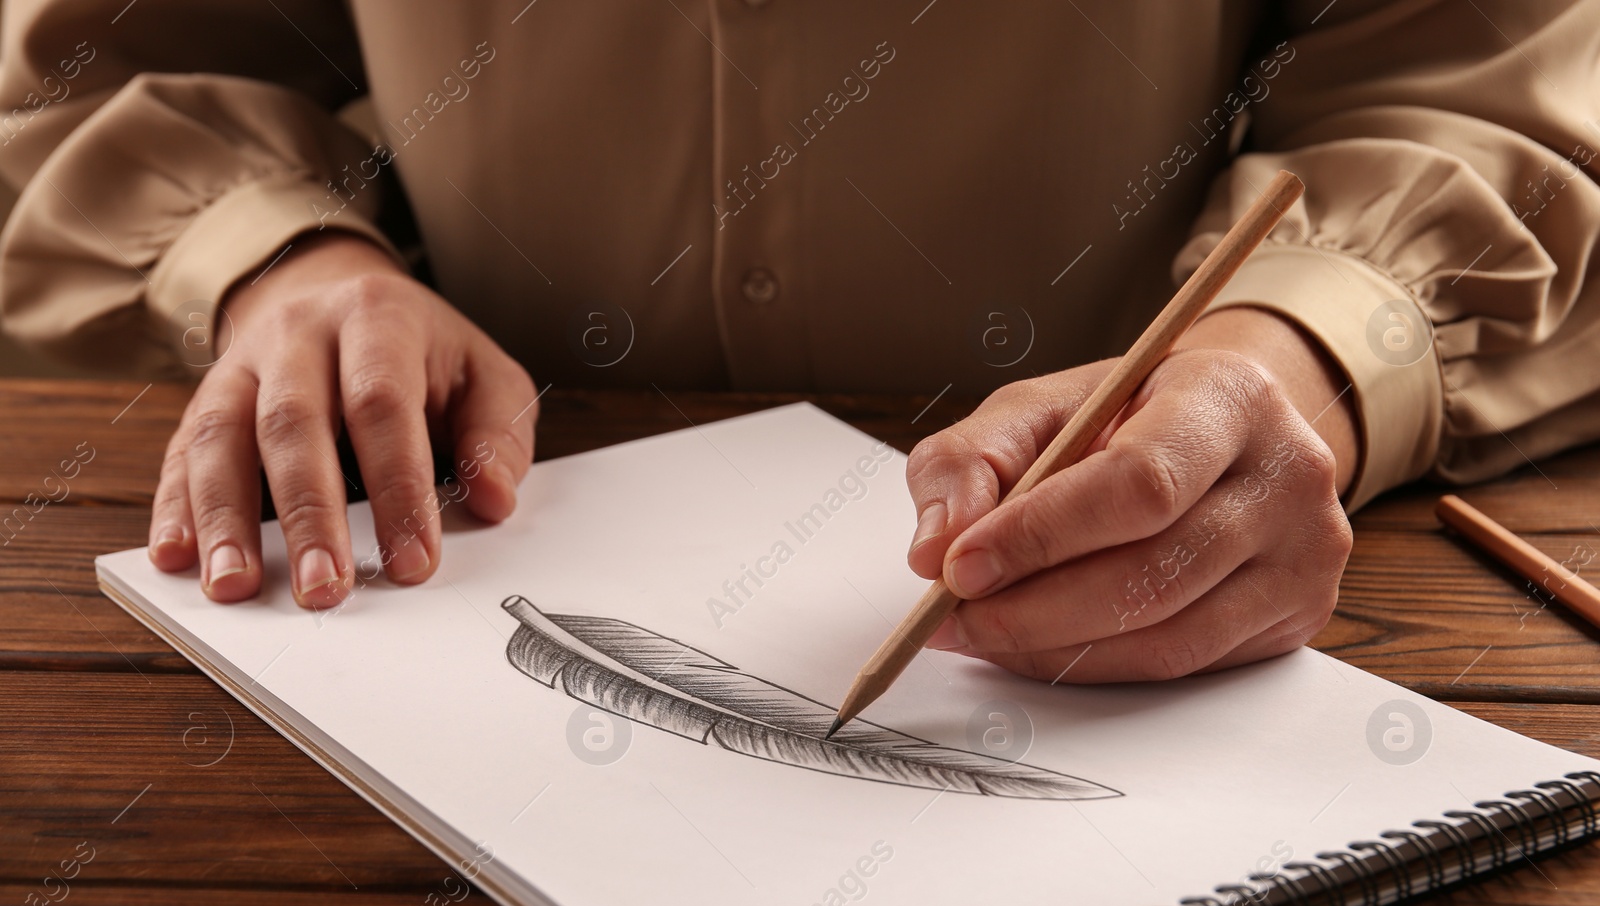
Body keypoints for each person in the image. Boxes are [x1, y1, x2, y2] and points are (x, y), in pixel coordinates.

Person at [1, 0, 1596, 684]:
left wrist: (1293, 356)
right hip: (476, 516)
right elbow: (102, 60)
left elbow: (1475, 60)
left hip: (1137, 546)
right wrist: (283, 260)